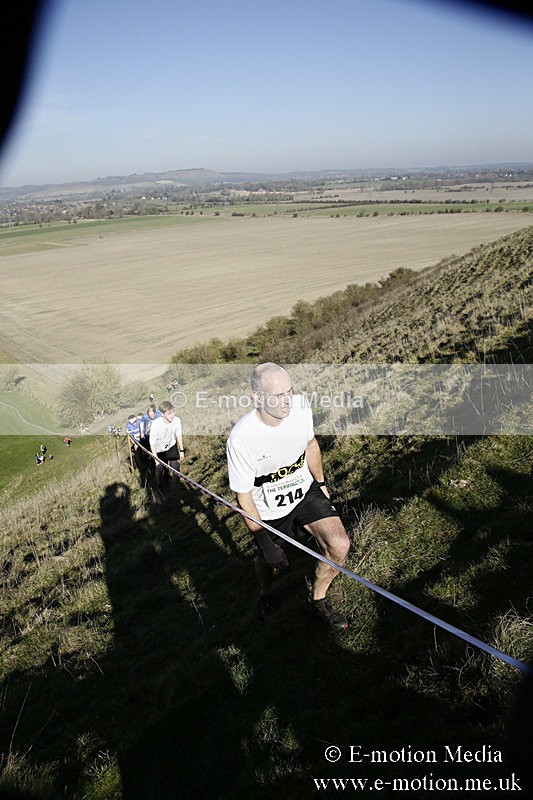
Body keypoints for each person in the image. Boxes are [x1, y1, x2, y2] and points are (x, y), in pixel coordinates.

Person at [226, 362, 350, 627]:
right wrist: (266, 544)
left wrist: (321, 483)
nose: (287, 402)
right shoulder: (241, 439)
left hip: (305, 491)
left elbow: (311, 444)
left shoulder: (301, 408)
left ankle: (318, 600)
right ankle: (266, 594)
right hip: (268, 510)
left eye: (290, 392)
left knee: (339, 545)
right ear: (257, 397)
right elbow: (244, 497)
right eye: (278, 396)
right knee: (267, 561)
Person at [149, 400, 184, 487]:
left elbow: (179, 435)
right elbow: (152, 442)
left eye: (173, 412)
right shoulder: (156, 424)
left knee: (176, 466)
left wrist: (181, 450)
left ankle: (175, 486)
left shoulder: (177, 420)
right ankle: (159, 484)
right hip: (159, 449)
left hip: (171, 445)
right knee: (160, 468)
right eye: (168, 414)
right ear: (162, 414)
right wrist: (156, 459)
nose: (172, 415)